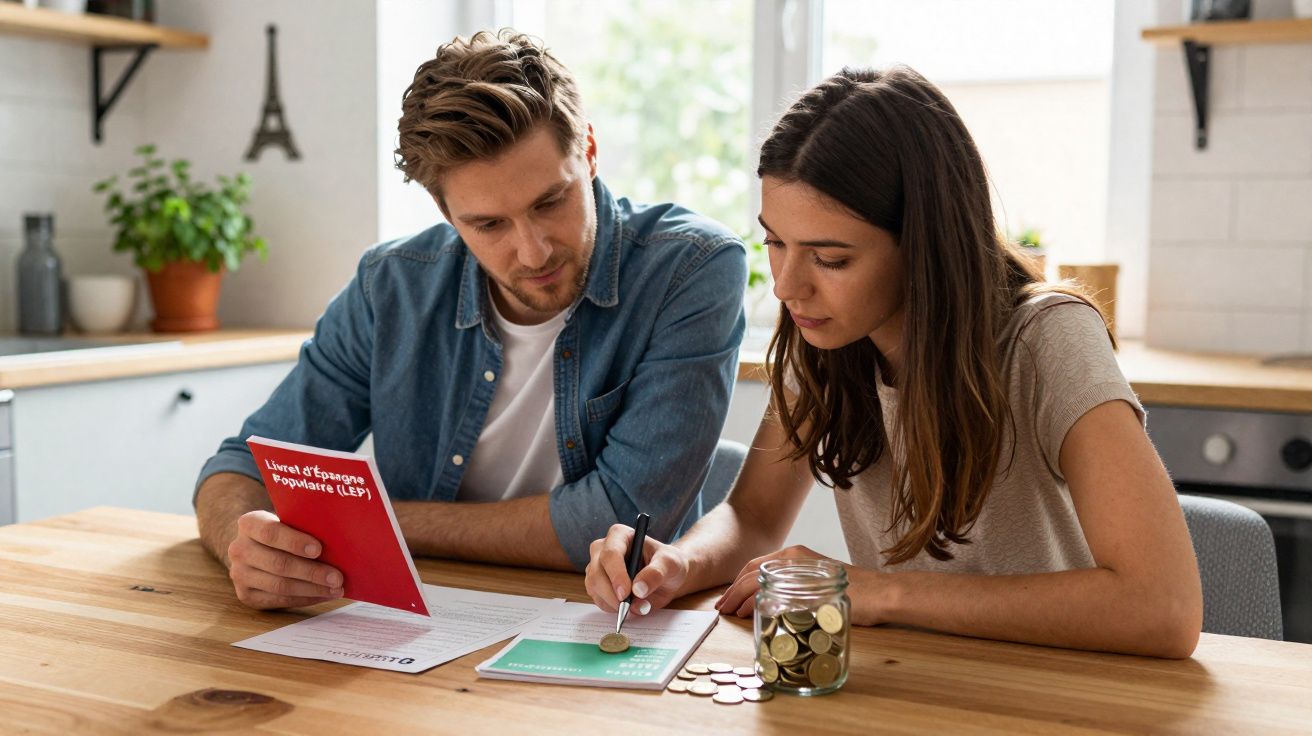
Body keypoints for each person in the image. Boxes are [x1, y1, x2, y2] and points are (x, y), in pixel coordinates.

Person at [583, 67, 1203, 658]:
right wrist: (677, 562)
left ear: (924, 245)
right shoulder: (826, 340)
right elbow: (753, 516)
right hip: (916, 679)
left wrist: (885, 593)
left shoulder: (1047, 340)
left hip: (1061, 688)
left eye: (830, 259)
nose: (787, 286)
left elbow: (1163, 608)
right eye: (775, 241)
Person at [194, 30, 747, 611]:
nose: (533, 251)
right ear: (444, 210)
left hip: (612, 621)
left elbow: (621, 514)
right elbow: (240, 466)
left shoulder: (691, 269)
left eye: (550, 202)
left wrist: (379, 522)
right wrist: (246, 545)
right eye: (489, 224)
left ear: (587, 150)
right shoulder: (392, 287)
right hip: (425, 621)